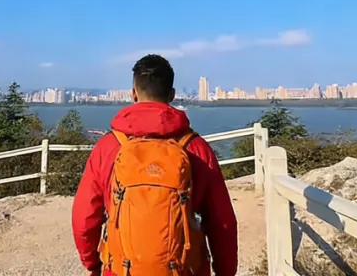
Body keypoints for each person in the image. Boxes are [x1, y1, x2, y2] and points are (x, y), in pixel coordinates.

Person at [72, 54, 238, 276]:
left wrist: (93, 264)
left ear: (133, 93)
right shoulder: (197, 149)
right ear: (172, 95)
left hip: (121, 270)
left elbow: (84, 218)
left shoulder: (108, 147)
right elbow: (222, 223)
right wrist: (225, 271)